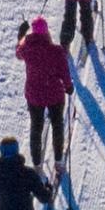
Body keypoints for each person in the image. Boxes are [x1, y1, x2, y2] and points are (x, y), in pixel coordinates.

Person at [16, 16, 73, 175]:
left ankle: (36, 164)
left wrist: (21, 35)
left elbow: (18, 52)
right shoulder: (56, 51)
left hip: (34, 95)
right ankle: (59, 162)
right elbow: (64, 72)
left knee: (36, 128)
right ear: (47, 31)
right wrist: (68, 87)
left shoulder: (27, 48)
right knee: (57, 126)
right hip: (54, 94)